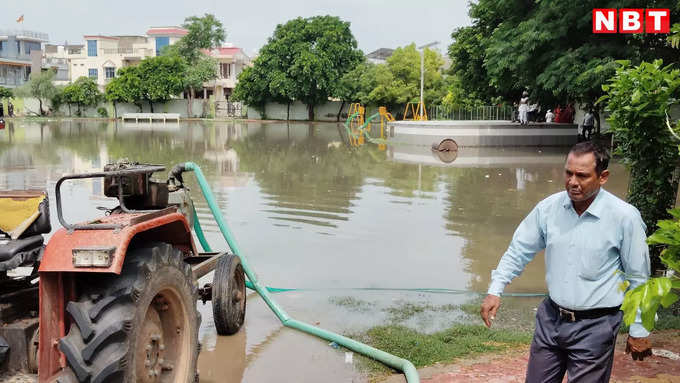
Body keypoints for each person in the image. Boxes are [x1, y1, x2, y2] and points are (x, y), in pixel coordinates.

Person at [480, 141, 652, 383]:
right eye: (568, 173)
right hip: (551, 320)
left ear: (603, 177)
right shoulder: (549, 209)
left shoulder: (624, 217)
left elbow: (638, 278)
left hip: (596, 326)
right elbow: (518, 250)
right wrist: (495, 290)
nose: (572, 182)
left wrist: (639, 328)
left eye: (582, 175)